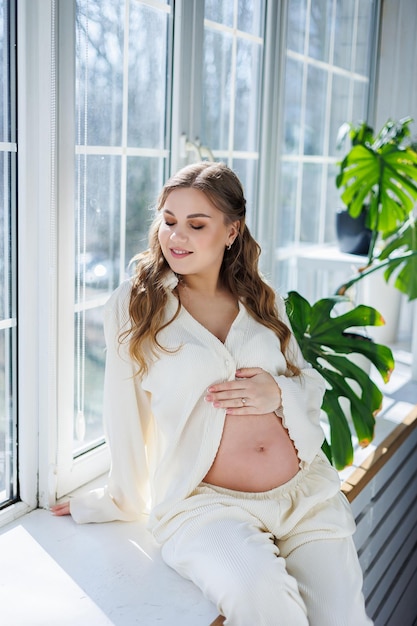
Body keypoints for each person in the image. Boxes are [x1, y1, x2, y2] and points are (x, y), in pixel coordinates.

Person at [52, 161, 372, 626]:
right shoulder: (137, 305)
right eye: (168, 221)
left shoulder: (263, 299)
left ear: (231, 230)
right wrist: (117, 498)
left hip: (305, 496)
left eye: (196, 225)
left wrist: (277, 392)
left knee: (343, 618)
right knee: (265, 602)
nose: (176, 237)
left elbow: (308, 382)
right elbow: (123, 414)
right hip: (206, 506)